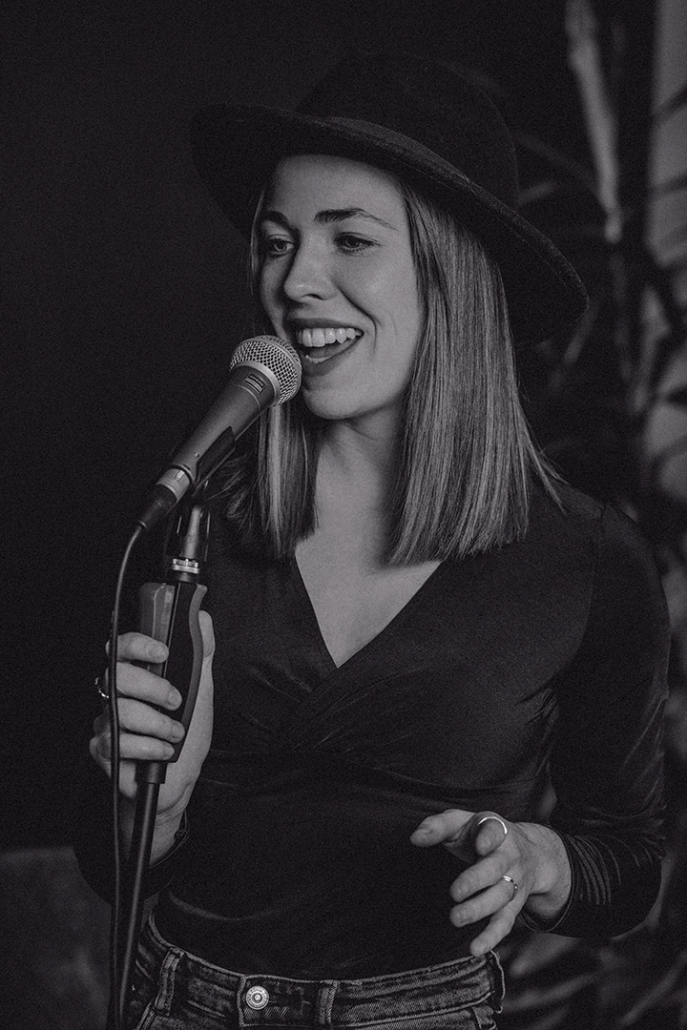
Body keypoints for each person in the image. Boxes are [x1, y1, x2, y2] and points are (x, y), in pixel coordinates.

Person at [77, 54, 670, 1030]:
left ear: (453, 271)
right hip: (184, 1004)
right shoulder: (190, 522)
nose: (296, 280)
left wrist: (540, 860)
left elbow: (629, 865)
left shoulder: (591, 564)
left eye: (349, 239)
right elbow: (111, 868)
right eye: (276, 242)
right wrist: (155, 804)